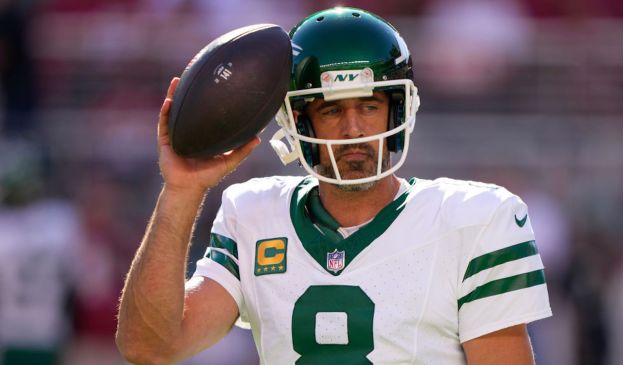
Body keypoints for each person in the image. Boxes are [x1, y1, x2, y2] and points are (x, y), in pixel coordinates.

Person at [116, 7, 552, 364]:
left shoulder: (475, 219)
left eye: (369, 106)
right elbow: (150, 346)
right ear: (299, 120)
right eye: (330, 111)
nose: (353, 130)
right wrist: (181, 191)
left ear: (397, 112)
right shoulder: (251, 214)